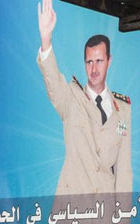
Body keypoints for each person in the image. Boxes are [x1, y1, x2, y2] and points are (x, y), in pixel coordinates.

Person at [36, 0, 132, 202]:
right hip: (72, 212)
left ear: (109, 61)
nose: (94, 68)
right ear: (84, 63)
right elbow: (53, 80)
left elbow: (123, 171)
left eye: (99, 61)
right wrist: (46, 39)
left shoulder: (122, 109)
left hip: (105, 215)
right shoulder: (71, 98)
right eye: (89, 62)